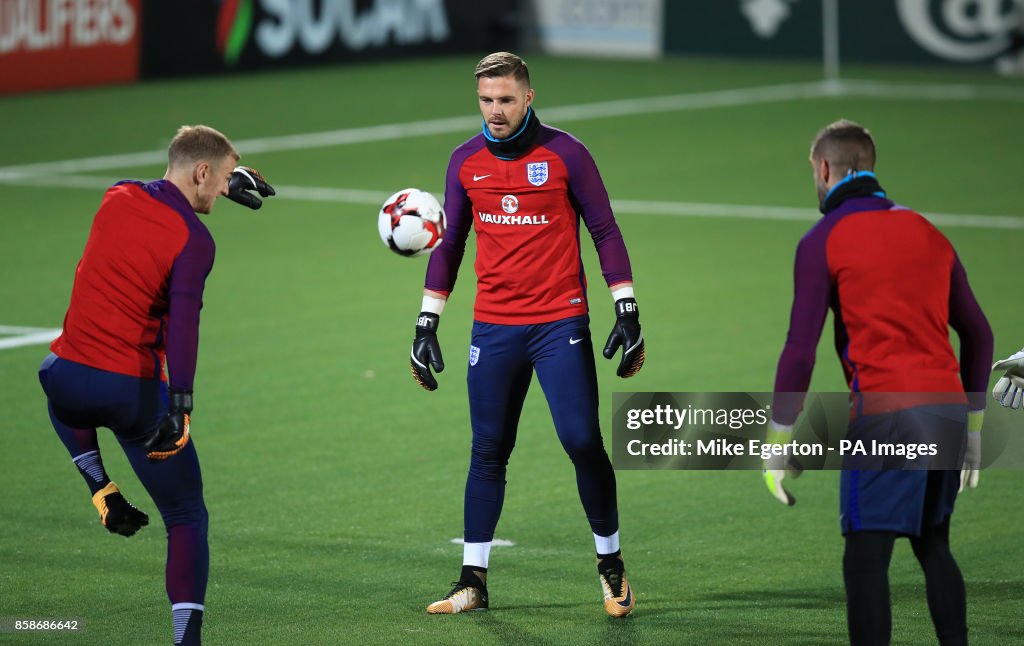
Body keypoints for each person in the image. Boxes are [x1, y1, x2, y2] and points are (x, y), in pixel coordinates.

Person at [409, 52, 645, 617]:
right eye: (486, 100)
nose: (495, 111)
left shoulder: (567, 154)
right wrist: (426, 320)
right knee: (487, 449)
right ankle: (472, 581)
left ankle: (611, 566)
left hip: (559, 322)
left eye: (506, 100)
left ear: (529, 97)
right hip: (493, 328)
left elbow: (605, 230)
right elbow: (451, 243)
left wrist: (627, 307)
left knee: (582, 440)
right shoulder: (465, 162)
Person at [38, 125, 275, 646]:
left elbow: (161, 190)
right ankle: (185, 642)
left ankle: (102, 490)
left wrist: (222, 182)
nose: (223, 193)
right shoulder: (195, 241)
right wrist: (181, 402)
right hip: (131, 393)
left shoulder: (115, 196)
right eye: (222, 180)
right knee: (187, 515)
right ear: (203, 172)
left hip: (66, 379)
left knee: (58, 385)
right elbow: (183, 323)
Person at [762, 119, 992, 645]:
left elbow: (800, 351)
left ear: (824, 170)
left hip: (886, 412)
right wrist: (974, 427)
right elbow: (978, 333)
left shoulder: (823, 238)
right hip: (947, 410)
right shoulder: (928, 231)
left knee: (866, 558)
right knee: (934, 545)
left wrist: (777, 439)